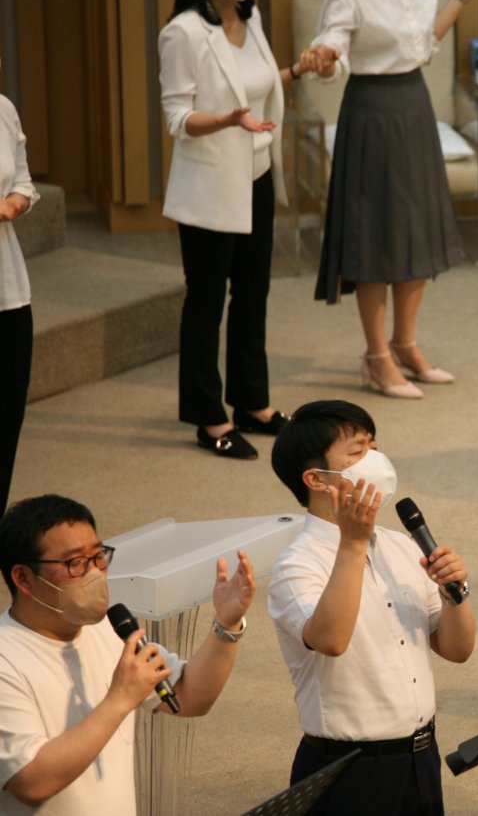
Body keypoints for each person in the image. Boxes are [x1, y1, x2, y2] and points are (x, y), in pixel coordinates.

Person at [309, 0, 478, 399]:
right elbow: (333, 43)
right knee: (375, 232)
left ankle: (405, 344)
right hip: (371, 109)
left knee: (415, 225)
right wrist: (324, 58)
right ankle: (377, 357)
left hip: (414, 103)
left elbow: (424, 43)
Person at [268, 399, 475, 815]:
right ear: (317, 479)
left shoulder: (401, 547)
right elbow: (330, 639)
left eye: (374, 446)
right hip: (347, 770)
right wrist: (353, 542)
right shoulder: (296, 567)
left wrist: (455, 597)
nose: (376, 460)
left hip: (421, 757)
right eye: (358, 452)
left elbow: (457, 650)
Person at [0, 494, 255, 814]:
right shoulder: (6, 660)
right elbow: (31, 783)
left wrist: (226, 626)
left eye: (98, 556)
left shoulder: (109, 628)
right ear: (23, 578)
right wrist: (119, 700)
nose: (94, 573)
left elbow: (191, 696)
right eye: (75, 563)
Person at [159, 0, 319, 459]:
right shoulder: (182, 33)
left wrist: (298, 70)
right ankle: (209, 417)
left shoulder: (251, 21)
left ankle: (252, 403)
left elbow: (256, 87)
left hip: (256, 175)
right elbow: (176, 118)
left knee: (254, 293)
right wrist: (225, 119)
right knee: (207, 300)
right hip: (208, 185)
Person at [0, 85, 37, 510]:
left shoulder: (4, 108)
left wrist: (14, 202)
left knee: (6, 419)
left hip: (9, 291)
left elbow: (23, 179)